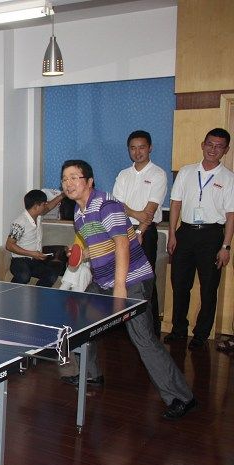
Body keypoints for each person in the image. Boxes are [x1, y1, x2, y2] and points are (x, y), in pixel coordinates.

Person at [60, 160, 196, 420]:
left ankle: (182, 397)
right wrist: (81, 255)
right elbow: (99, 246)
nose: (69, 183)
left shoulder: (106, 205)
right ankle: (91, 373)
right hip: (103, 282)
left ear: (89, 181)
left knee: (143, 339)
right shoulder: (79, 214)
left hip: (131, 280)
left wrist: (120, 287)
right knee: (81, 321)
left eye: (75, 177)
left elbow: (122, 243)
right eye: (65, 179)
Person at [165, 128, 234, 349]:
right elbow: (176, 203)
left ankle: (201, 335)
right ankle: (178, 329)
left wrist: (226, 246)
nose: (213, 149)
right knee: (179, 284)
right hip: (185, 233)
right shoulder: (186, 172)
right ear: (202, 145)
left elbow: (231, 215)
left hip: (212, 236)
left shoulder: (229, 178)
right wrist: (172, 233)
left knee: (208, 288)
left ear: (226, 150)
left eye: (219, 146)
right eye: (210, 144)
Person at [112, 130, 167, 332]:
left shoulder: (158, 174)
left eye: (142, 147)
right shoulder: (123, 174)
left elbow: (150, 211)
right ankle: (123, 325)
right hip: (122, 230)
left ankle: (149, 328)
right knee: (122, 277)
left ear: (150, 148)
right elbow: (116, 205)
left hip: (145, 233)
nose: (137, 152)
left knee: (145, 280)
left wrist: (139, 232)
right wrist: (136, 213)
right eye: (133, 148)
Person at [5, 189, 65, 286]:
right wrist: (32, 254)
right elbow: (9, 245)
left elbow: (50, 206)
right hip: (19, 261)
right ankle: (10, 292)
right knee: (24, 276)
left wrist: (63, 195)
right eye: (44, 204)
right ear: (36, 206)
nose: (46, 206)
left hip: (35, 261)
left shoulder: (39, 216)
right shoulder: (19, 223)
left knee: (51, 274)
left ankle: (37, 293)